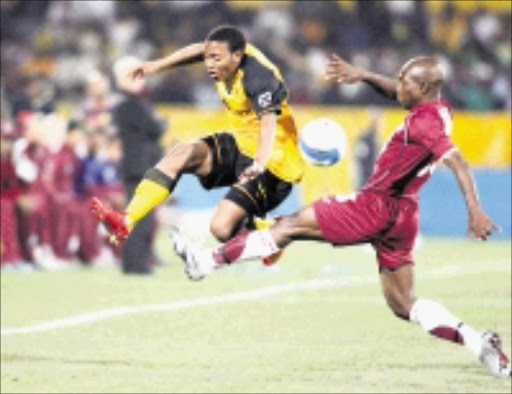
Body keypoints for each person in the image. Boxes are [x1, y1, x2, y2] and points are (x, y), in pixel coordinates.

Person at [169, 55, 511, 378]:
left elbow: (460, 163)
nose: (397, 86)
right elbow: (396, 91)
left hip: (376, 205)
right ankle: (479, 343)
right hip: (404, 213)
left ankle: (205, 262)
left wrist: (475, 210)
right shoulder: (438, 109)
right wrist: (362, 75)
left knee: (289, 226)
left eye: (404, 81)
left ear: (421, 89)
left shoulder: (425, 124)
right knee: (403, 304)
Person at [91, 25, 304, 265]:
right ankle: (126, 220)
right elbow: (197, 50)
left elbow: (268, 121)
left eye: (216, 59)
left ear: (237, 56)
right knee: (183, 152)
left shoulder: (258, 76)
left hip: (274, 163)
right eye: (208, 58)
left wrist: (260, 162)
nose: (209, 65)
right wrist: (155, 66)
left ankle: (272, 234)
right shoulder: (226, 55)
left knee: (222, 229)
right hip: (243, 146)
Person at [108, 56, 165, 274]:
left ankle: (135, 263)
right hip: (138, 167)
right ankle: (137, 264)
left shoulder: (129, 103)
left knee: (138, 217)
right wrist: (159, 123)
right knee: (140, 219)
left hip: (138, 166)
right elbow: (154, 127)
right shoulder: (129, 104)